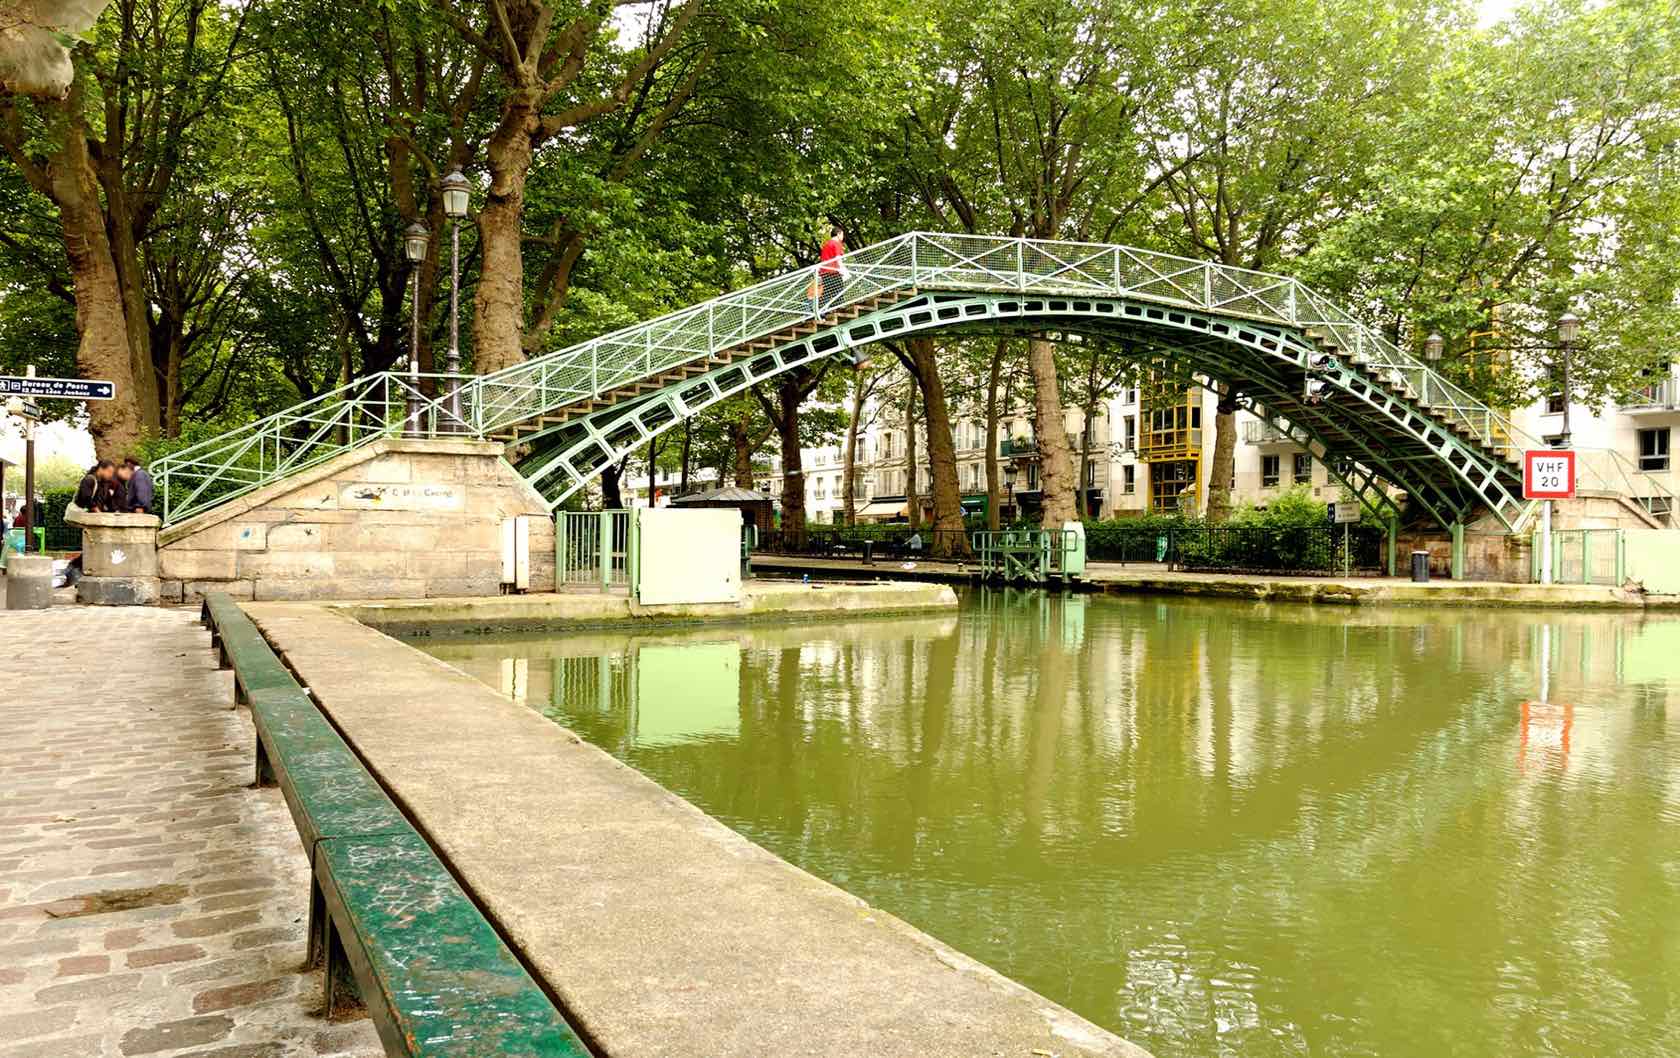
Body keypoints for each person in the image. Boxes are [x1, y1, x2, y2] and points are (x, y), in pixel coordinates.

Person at [817, 224, 847, 316]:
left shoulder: (827, 244)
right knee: (839, 290)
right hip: (833, 271)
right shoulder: (836, 243)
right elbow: (838, 258)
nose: (843, 237)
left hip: (824, 272)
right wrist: (844, 271)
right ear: (838, 234)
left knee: (828, 292)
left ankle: (822, 312)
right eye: (842, 234)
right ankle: (839, 308)